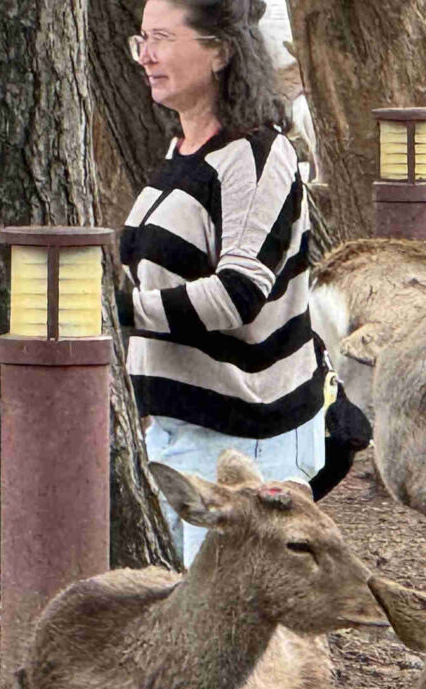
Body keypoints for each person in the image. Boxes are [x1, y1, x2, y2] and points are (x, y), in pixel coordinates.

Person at [121, 0, 325, 562]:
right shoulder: (182, 151)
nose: (147, 56)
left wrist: (120, 308)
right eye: (141, 40)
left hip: (245, 436)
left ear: (220, 51)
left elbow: (239, 293)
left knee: (237, 634)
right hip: (178, 429)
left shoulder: (257, 156)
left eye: (162, 38)